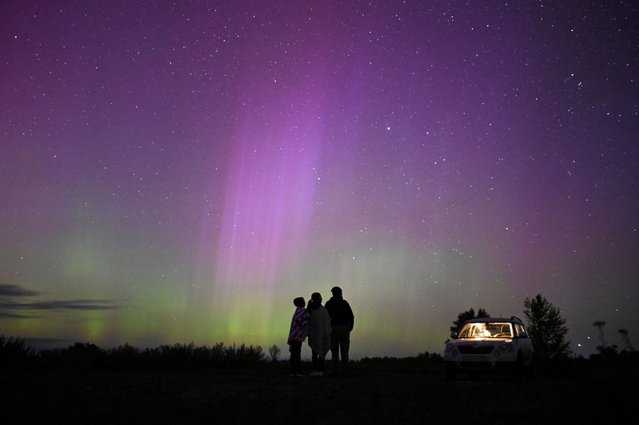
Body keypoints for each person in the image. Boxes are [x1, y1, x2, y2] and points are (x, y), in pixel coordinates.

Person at [325, 286, 354, 373]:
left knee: (335, 351)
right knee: (344, 351)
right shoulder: (344, 303)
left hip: (334, 328)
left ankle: (336, 370)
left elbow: (325, 317)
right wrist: (350, 327)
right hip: (343, 328)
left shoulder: (329, 303)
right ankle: (344, 370)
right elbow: (351, 317)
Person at [306, 292, 332, 376]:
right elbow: (307, 321)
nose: (321, 299)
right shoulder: (310, 310)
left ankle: (320, 370)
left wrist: (327, 332)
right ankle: (315, 370)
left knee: (321, 353)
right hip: (314, 334)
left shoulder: (323, 310)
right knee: (315, 353)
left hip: (322, 334)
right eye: (319, 298)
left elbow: (327, 322)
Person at [287, 297, 310, 376]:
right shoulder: (302, 311)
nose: (305, 302)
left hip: (295, 336)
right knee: (296, 354)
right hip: (297, 336)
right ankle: (296, 371)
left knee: (294, 354)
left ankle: (294, 371)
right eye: (303, 301)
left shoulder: (298, 311)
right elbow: (305, 320)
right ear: (300, 303)